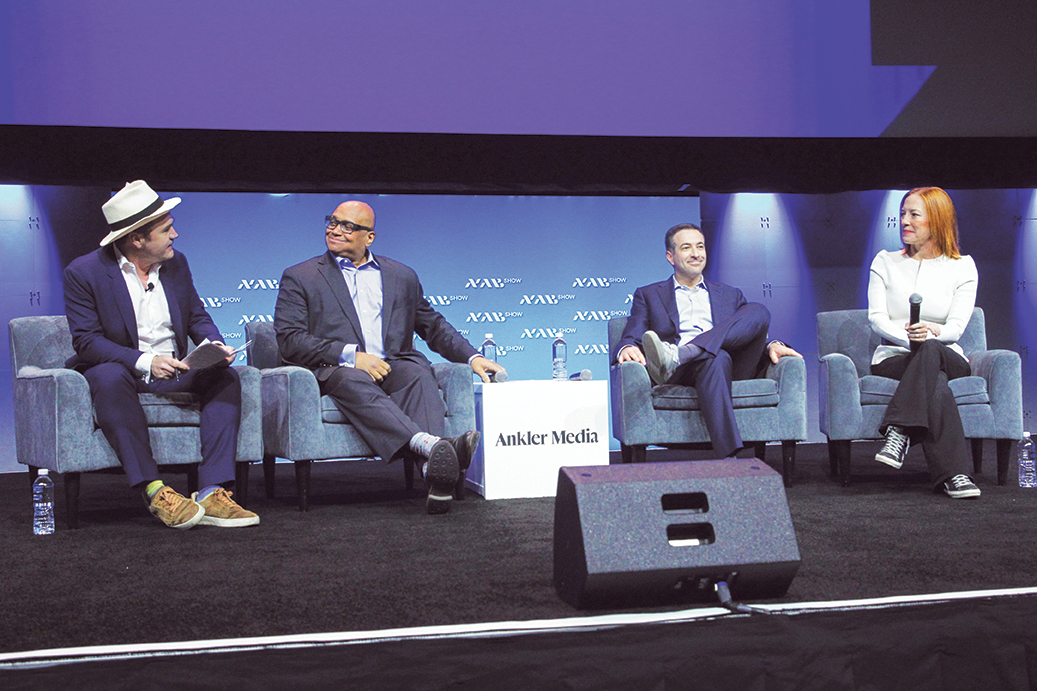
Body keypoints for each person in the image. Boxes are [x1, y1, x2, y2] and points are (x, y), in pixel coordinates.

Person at [274, 200, 505, 514]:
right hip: (336, 369)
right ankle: (435, 447)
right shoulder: (301, 276)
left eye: (347, 226)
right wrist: (350, 356)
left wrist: (472, 357)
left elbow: (431, 324)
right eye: (332, 221)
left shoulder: (401, 275)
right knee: (352, 377)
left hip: (392, 363)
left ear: (369, 237)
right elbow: (290, 339)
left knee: (418, 373)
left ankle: (433, 473)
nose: (334, 229)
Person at [63, 180, 259, 528]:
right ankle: (155, 491)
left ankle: (212, 492)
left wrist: (213, 345)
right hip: (122, 372)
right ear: (137, 238)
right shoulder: (84, 273)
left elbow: (197, 315)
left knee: (225, 377)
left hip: (177, 371)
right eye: (167, 229)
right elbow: (87, 341)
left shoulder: (176, 264)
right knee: (107, 375)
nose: (176, 235)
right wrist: (146, 361)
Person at [615, 223, 801, 458]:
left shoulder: (731, 294)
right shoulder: (649, 294)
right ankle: (729, 458)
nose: (696, 253)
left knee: (759, 311)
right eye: (686, 247)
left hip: (730, 366)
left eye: (700, 246)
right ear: (670, 257)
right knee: (717, 357)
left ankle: (682, 352)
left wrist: (772, 345)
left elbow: (746, 331)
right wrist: (627, 347)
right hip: (678, 372)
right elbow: (632, 333)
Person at [868, 187, 981, 499]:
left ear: (937, 221)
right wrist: (907, 335)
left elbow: (956, 328)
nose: (904, 221)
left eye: (914, 214)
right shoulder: (885, 262)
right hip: (895, 356)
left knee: (931, 352)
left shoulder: (962, 266)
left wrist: (931, 332)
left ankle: (898, 430)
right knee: (937, 383)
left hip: (946, 352)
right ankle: (956, 475)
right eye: (902, 214)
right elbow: (876, 317)